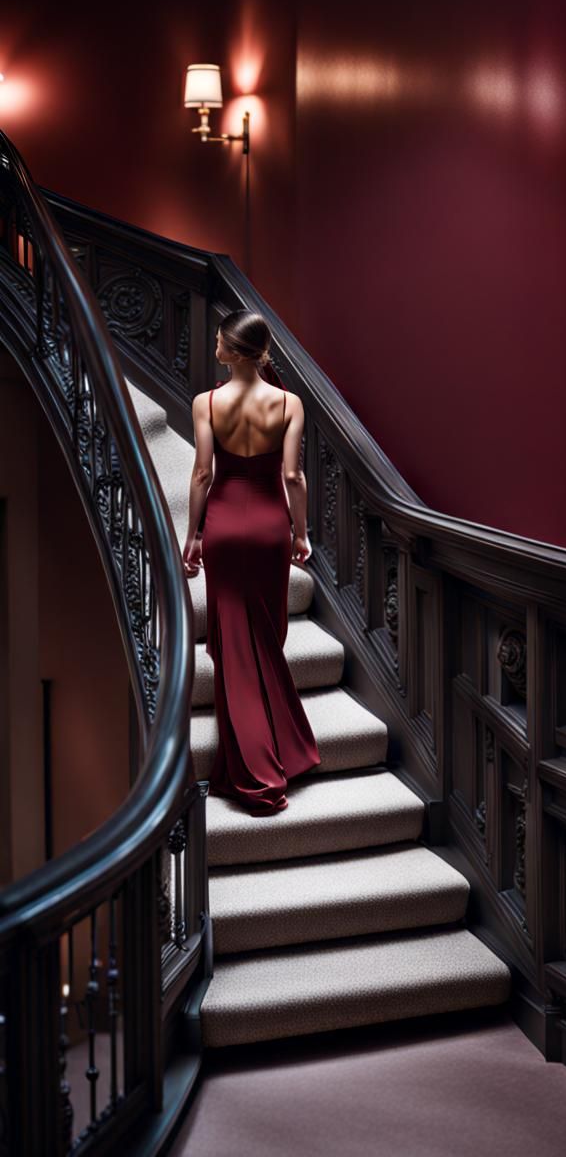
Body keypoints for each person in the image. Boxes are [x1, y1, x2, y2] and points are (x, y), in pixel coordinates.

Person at [182, 310, 321, 815]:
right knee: (261, 636)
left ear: (235, 350)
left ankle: (258, 774)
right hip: (268, 528)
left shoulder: (207, 403)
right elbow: (293, 477)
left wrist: (194, 535)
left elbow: (201, 474)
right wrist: (300, 534)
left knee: (236, 645)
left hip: (223, 524)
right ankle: (281, 748)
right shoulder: (288, 403)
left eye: (219, 340)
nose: (214, 345)